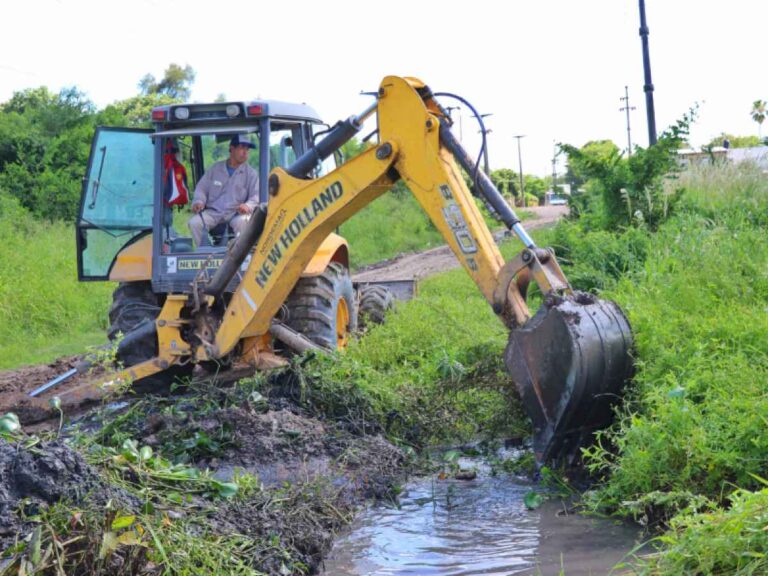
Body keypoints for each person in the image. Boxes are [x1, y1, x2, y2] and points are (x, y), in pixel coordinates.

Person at [188, 134, 259, 247]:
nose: (245, 152)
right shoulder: (215, 169)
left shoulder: (251, 174)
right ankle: (205, 254)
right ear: (232, 148)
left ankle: (239, 256)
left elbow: (256, 196)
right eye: (242, 148)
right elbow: (201, 188)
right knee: (195, 223)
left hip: (236, 213)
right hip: (213, 212)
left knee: (242, 222)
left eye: (247, 149)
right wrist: (199, 201)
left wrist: (247, 206)